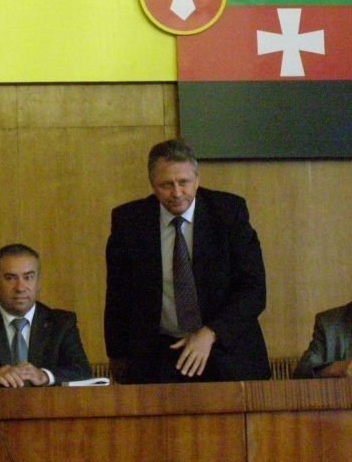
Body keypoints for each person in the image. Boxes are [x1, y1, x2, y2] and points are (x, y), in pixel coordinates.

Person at [104, 138, 270, 384]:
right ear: (152, 184)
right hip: (158, 357)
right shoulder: (130, 222)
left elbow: (253, 290)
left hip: (226, 351)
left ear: (197, 179)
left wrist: (210, 333)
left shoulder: (228, 213)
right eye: (166, 185)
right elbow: (118, 295)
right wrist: (117, 354)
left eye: (184, 182)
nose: (177, 193)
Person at [0, 243, 92, 388]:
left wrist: (45, 376)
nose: (20, 288)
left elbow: (83, 372)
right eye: (10, 278)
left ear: (38, 281)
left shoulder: (61, 323)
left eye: (28, 277)